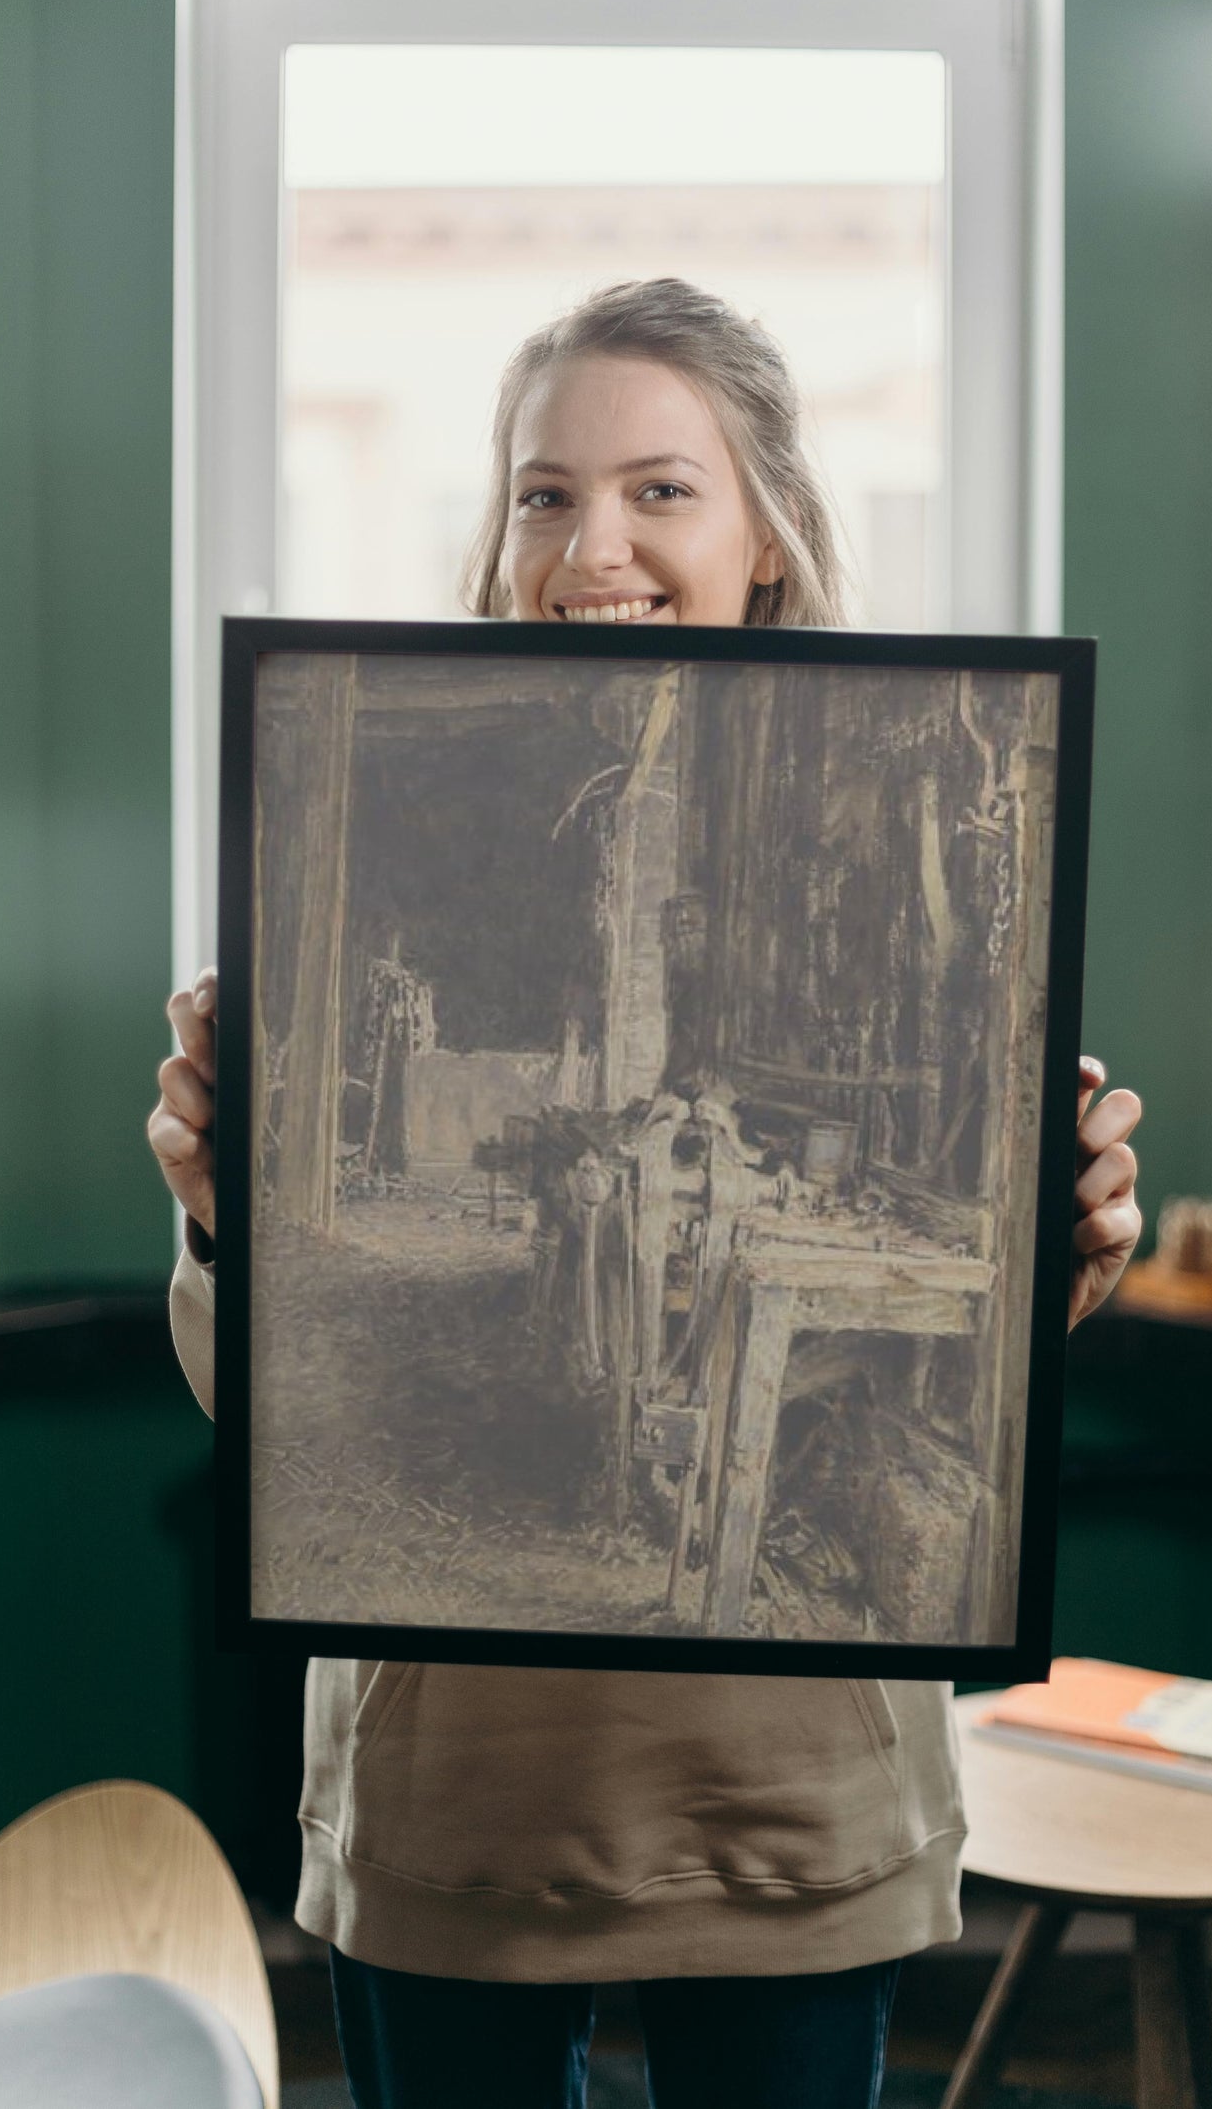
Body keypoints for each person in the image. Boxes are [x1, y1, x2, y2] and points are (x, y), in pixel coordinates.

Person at [149, 278, 1143, 2109]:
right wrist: (223, 1225)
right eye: (542, 492)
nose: (588, 543)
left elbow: (974, 1393)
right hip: (454, 1800)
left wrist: (1057, 1257)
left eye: (658, 490)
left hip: (790, 1801)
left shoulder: (941, 760)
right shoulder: (329, 755)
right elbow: (264, 1415)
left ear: (766, 531)